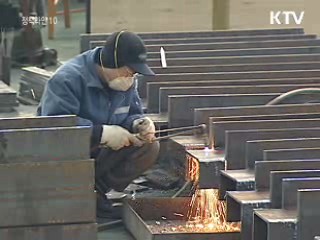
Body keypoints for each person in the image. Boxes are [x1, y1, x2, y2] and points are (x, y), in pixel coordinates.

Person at [37, 30, 160, 218]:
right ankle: (71, 190)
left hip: (98, 152)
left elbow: (131, 113)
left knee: (149, 146)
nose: (131, 78)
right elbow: (55, 127)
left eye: (134, 74)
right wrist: (100, 133)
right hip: (62, 156)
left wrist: (138, 124)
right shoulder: (67, 79)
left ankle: (95, 192)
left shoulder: (123, 81)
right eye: (129, 72)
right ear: (109, 63)